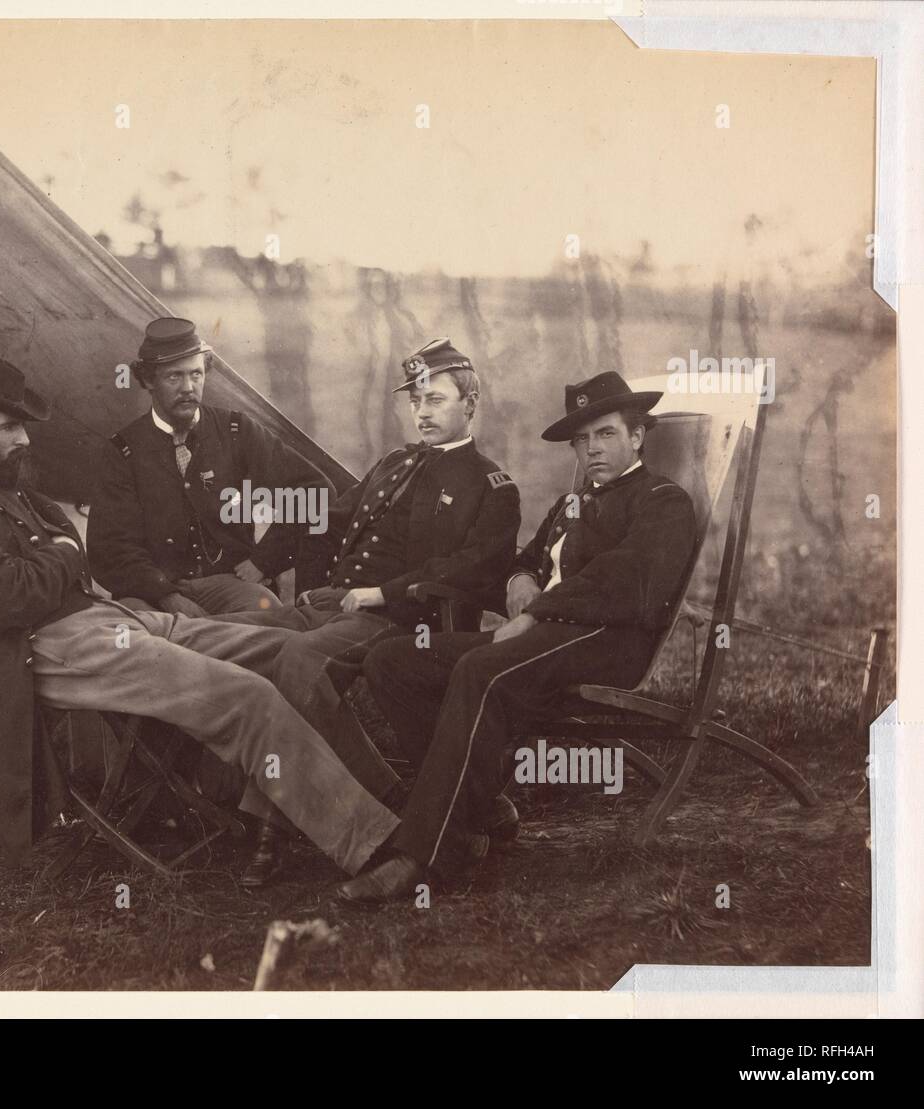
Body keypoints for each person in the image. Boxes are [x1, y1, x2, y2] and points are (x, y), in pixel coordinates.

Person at [0, 353, 397, 875]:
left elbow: (48, 570)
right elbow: (4, 598)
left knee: (292, 649)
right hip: (58, 649)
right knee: (247, 696)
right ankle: (373, 846)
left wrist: (58, 556)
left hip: (112, 622)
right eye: (10, 428)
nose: (26, 440)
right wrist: (64, 554)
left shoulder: (16, 494)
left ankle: (386, 794)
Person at [340, 371, 697, 902]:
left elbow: (628, 582)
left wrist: (537, 612)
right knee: (394, 662)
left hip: (604, 642)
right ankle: (479, 810)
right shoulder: (571, 503)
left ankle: (427, 854)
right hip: (542, 638)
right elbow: (525, 560)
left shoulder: (662, 501)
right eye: (582, 439)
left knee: (479, 671)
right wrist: (520, 580)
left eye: (605, 434)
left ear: (637, 436)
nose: (591, 448)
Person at [216, 338, 521, 886]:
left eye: (437, 400)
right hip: (334, 606)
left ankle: (271, 830)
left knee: (301, 661)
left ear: (470, 405)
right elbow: (328, 517)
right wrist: (264, 562)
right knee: (224, 639)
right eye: (417, 401)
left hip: (405, 620)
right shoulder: (395, 463)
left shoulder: (490, 484)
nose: (423, 412)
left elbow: (473, 568)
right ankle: (386, 792)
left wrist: (384, 593)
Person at [87, 317, 332, 615]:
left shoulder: (237, 430)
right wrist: (167, 596)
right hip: (152, 592)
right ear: (149, 380)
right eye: (174, 377)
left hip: (230, 584)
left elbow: (315, 492)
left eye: (196, 374)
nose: (188, 388)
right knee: (129, 633)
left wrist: (264, 561)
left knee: (267, 620)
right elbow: (111, 548)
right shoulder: (121, 451)